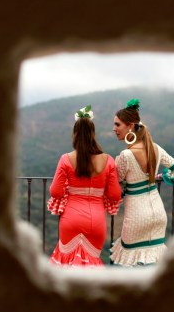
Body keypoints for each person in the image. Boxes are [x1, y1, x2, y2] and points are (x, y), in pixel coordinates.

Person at [110, 98, 174, 267]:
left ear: (131, 126)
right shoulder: (155, 148)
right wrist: (162, 176)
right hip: (158, 213)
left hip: (136, 217)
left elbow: (114, 187)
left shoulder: (125, 156)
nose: (114, 129)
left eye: (118, 125)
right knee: (154, 266)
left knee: (130, 265)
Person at [47, 105, 122, 267]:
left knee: (65, 265)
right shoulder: (108, 160)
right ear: (93, 134)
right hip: (96, 222)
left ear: (75, 134)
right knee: (91, 265)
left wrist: (69, 187)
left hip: (70, 220)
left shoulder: (66, 159)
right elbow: (115, 195)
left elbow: (56, 192)